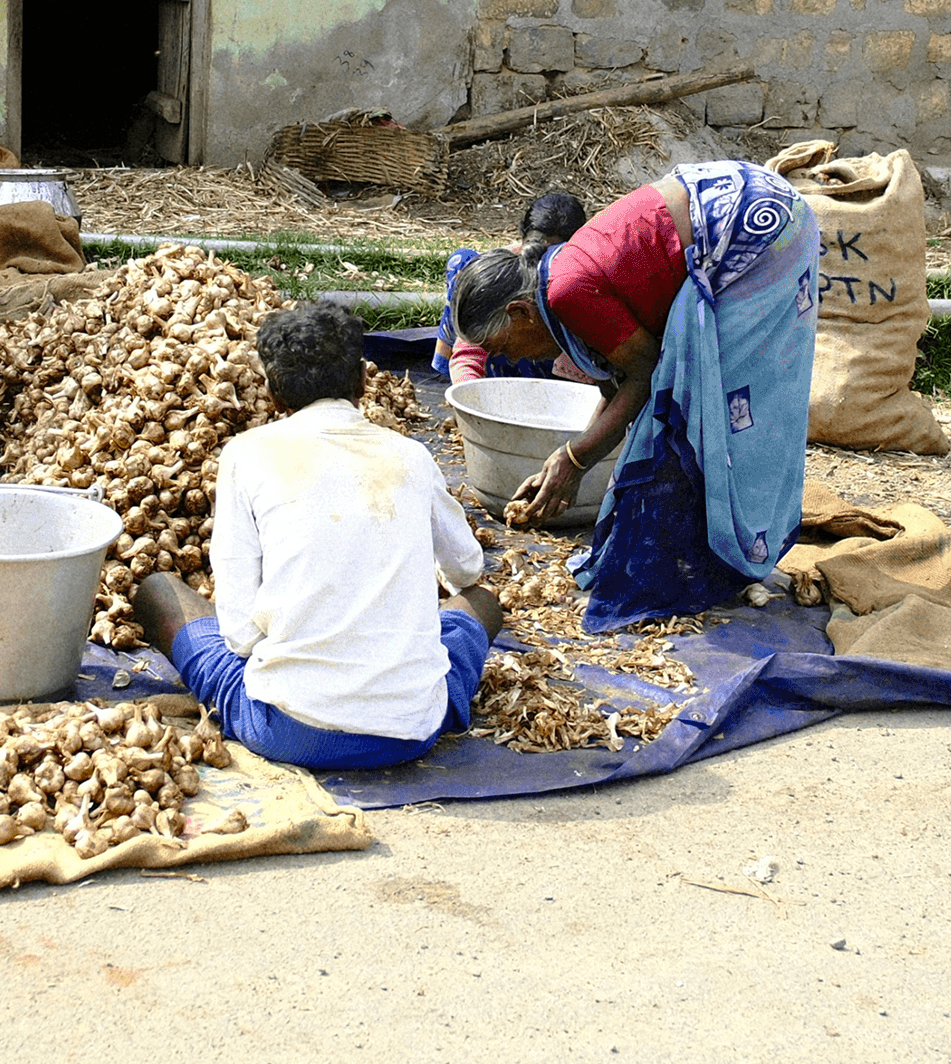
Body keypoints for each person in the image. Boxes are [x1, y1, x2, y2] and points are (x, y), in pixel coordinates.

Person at [131, 300, 500, 770]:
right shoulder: (411, 455)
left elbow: (242, 636)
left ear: (273, 394)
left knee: (160, 590)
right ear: (362, 382)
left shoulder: (246, 454)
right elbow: (467, 569)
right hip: (411, 731)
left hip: (288, 730)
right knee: (481, 602)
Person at [449, 160, 818, 628]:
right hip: (736, 205)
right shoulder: (556, 279)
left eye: (504, 347)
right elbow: (622, 383)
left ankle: (724, 557)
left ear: (521, 312)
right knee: (687, 403)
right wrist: (568, 459)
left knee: (716, 404)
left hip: (755, 228)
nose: (516, 360)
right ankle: (704, 550)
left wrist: (575, 458)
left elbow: (646, 376)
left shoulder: (565, 291)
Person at [434, 191, 590, 382]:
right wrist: (466, 393)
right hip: (509, 361)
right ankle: (443, 371)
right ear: (523, 238)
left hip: (562, 371)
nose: (542, 262)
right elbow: (470, 351)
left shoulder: (577, 286)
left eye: (552, 253)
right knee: (464, 264)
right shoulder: (507, 275)